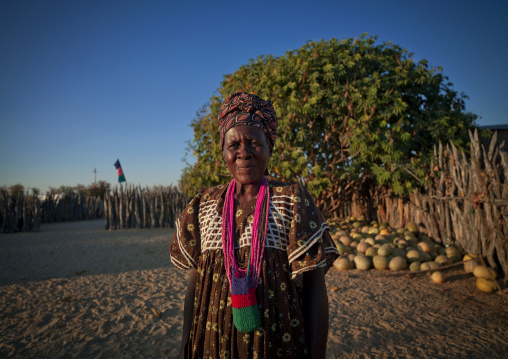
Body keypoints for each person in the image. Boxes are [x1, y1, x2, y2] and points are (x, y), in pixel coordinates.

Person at [170, 92, 339, 358]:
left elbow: (315, 285)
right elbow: (196, 281)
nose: (243, 153)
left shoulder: (292, 199)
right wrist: (184, 347)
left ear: (269, 147)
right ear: (223, 151)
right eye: (233, 145)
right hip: (213, 344)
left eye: (254, 143)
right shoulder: (203, 203)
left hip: (276, 342)